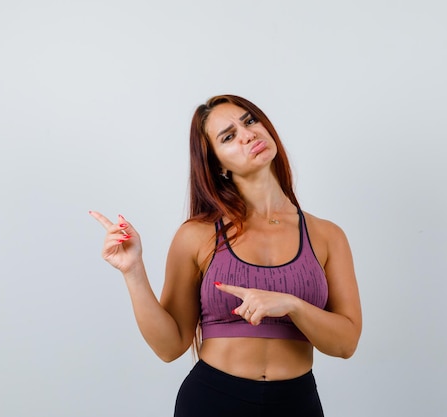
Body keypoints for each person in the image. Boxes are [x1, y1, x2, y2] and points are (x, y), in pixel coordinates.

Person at [89, 94, 362, 417]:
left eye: (249, 121)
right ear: (217, 163)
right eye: (229, 137)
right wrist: (133, 271)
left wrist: (292, 305)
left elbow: (345, 344)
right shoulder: (197, 235)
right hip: (214, 401)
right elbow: (169, 347)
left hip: (297, 403)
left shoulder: (327, 235)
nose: (247, 135)